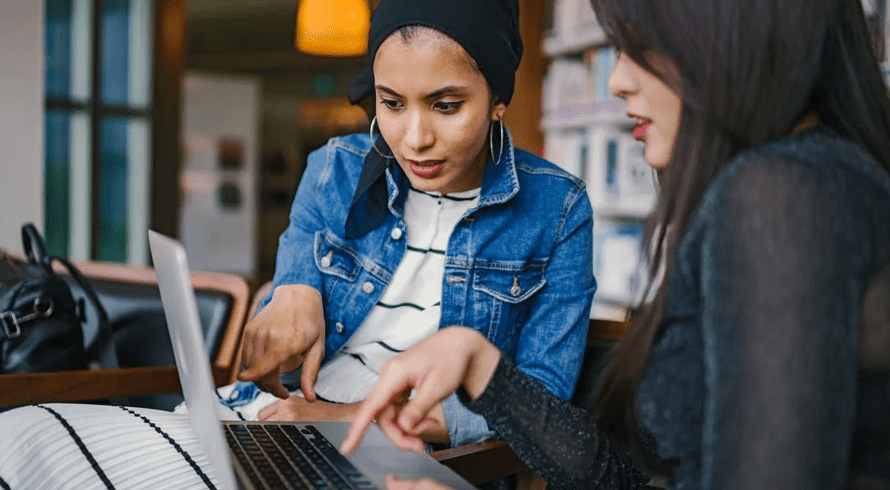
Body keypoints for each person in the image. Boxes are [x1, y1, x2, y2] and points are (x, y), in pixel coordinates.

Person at [343, 0, 890, 488]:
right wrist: (479, 364)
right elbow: (624, 475)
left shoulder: (779, 197)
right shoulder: (811, 181)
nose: (618, 81)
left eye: (639, 48)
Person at [205, 0, 596, 449]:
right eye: (390, 102)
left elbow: (539, 401)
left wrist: (348, 418)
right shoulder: (335, 169)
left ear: (498, 101)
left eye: (446, 106)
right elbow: (289, 328)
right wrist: (291, 297)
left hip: (400, 450)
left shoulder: (558, 208)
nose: (415, 139)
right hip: (273, 415)